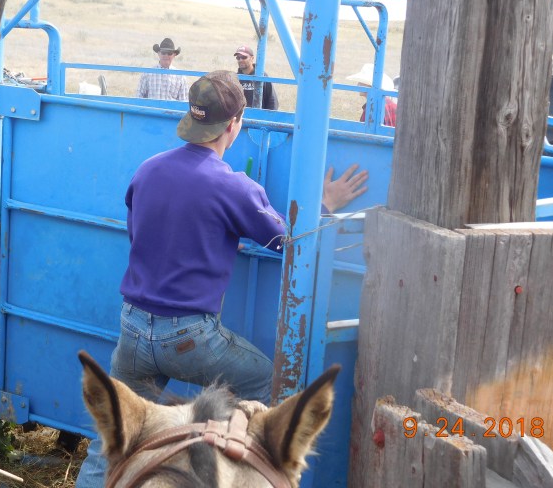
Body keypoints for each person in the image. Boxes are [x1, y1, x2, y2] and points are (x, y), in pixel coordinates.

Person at [75, 70, 368, 487]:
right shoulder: (234, 187)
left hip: (133, 327)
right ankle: (232, 472)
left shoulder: (148, 170)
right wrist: (325, 203)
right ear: (235, 124)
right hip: (190, 337)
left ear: (191, 118)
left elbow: (143, 229)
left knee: (116, 436)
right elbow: (289, 242)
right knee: (271, 383)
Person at [347, 62, 397, 127]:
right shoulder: (391, 104)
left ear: (369, 85)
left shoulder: (371, 107)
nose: (358, 85)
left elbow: (365, 131)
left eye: (361, 82)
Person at [234, 45, 279, 110]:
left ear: (252, 58)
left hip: (259, 117)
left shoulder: (262, 76)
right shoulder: (236, 78)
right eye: (238, 58)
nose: (240, 60)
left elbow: (272, 101)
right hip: (241, 118)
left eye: (244, 57)